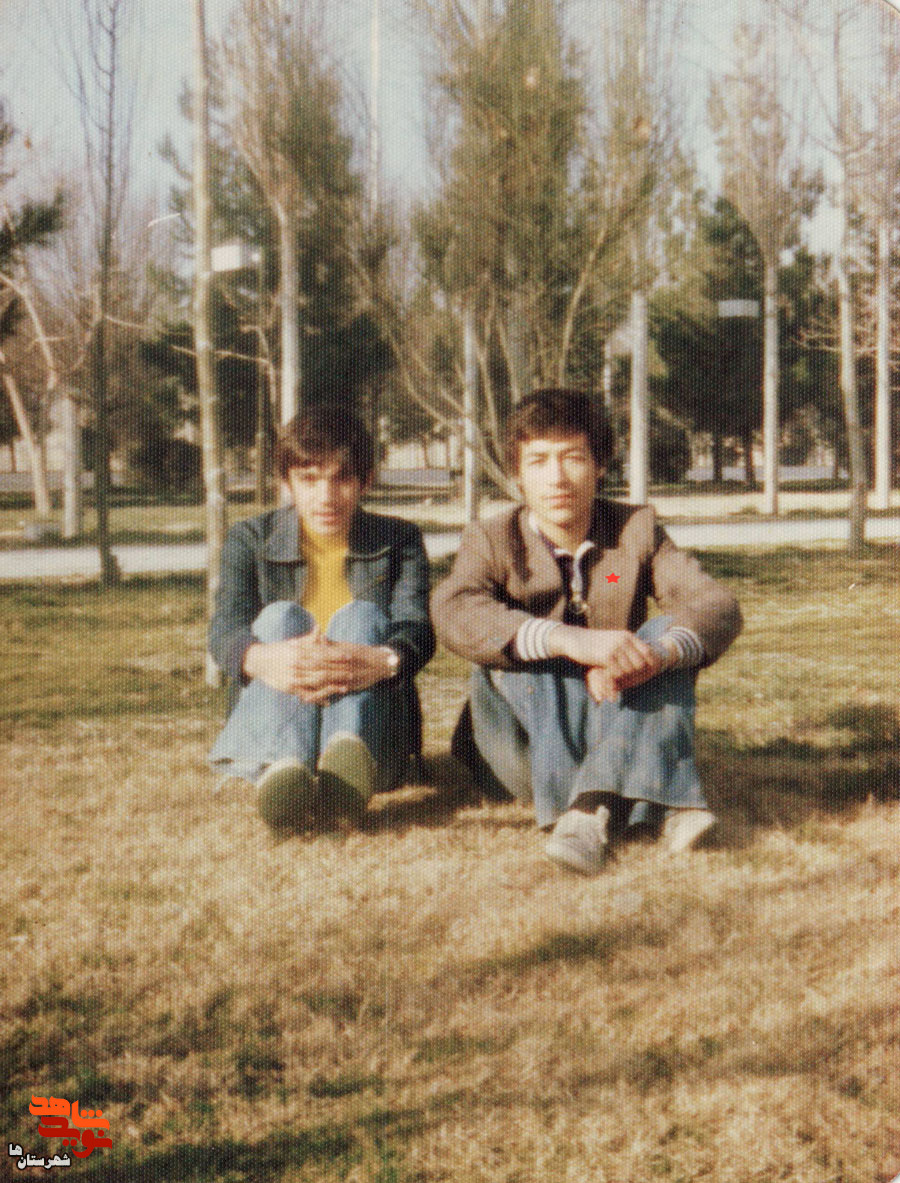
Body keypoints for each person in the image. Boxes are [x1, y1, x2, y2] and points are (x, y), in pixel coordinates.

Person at [432, 388, 742, 875]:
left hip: (606, 713)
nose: (556, 478)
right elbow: (454, 609)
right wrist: (570, 642)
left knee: (664, 632)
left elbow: (713, 603)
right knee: (531, 642)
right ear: (518, 474)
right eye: (538, 461)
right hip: (520, 746)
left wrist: (655, 656)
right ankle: (662, 801)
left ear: (600, 465)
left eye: (573, 457)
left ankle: (584, 811)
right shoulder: (491, 538)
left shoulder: (635, 529)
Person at [208, 404, 435, 832]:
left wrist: (382, 661)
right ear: (286, 482)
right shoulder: (249, 539)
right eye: (309, 479)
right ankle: (288, 767)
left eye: (341, 478)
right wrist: (268, 661)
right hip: (277, 714)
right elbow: (224, 630)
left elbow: (417, 628)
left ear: (366, 480)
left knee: (362, 616)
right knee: (280, 617)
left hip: (372, 738)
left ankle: (344, 759)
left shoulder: (399, 539)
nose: (326, 497)